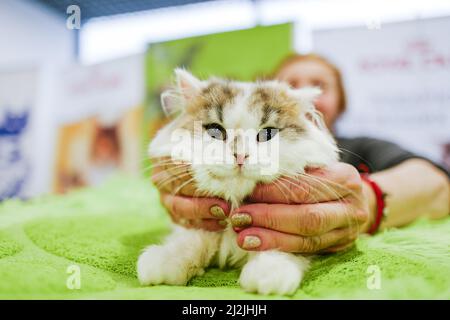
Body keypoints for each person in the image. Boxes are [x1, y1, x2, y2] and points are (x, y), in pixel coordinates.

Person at [152, 53, 449, 253]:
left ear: (341, 102)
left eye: (320, 85)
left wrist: (365, 202)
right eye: (291, 85)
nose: (305, 94)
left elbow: (436, 182)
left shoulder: (360, 146)